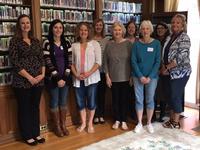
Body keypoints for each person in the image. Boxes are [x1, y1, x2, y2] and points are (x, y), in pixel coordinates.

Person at [9, 14, 45, 146]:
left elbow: (42, 59)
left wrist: (42, 75)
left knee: (35, 108)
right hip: (22, 82)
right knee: (24, 108)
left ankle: (36, 133)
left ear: (31, 25)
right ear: (19, 25)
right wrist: (29, 77)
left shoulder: (36, 40)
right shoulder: (14, 41)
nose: (25, 25)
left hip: (38, 81)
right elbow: (15, 63)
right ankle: (27, 135)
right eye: (23, 23)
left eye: (28, 23)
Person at [162, 14, 191, 129]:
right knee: (169, 96)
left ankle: (176, 122)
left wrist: (167, 67)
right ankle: (171, 119)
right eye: (173, 22)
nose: (175, 24)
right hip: (169, 72)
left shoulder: (185, 37)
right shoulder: (170, 37)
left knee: (175, 95)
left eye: (178, 22)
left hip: (181, 72)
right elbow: (165, 53)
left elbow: (181, 57)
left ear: (183, 25)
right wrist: (164, 67)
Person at [71, 22, 101, 133]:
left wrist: (88, 73)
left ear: (89, 32)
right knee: (80, 102)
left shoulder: (95, 44)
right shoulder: (74, 46)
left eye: (86, 30)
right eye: (81, 30)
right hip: (78, 79)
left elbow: (98, 62)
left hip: (92, 78)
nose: (83, 32)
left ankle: (90, 123)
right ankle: (83, 123)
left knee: (91, 102)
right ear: (78, 31)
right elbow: (72, 63)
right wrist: (76, 74)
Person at [43, 19, 71, 137]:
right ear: (52, 29)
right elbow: (47, 61)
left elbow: (69, 61)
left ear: (62, 29)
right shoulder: (47, 43)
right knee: (54, 102)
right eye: (55, 27)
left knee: (63, 102)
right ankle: (57, 127)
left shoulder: (67, 42)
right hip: (52, 79)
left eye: (60, 27)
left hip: (65, 79)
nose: (58, 30)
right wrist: (57, 78)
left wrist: (64, 78)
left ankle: (64, 125)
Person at [131, 20, 161, 133]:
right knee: (139, 100)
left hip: (152, 78)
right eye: (143, 28)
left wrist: (149, 77)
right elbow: (133, 61)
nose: (145, 31)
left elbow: (157, 62)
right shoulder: (136, 44)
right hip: (137, 76)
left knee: (150, 99)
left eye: (147, 28)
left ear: (151, 30)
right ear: (140, 30)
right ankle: (139, 123)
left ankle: (148, 123)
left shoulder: (156, 44)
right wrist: (140, 76)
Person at [104, 22, 132, 130]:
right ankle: (117, 120)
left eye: (119, 30)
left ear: (123, 31)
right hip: (113, 78)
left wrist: (132, 76)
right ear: (112, 31)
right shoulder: (109, 44)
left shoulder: (128, 44)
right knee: (115, 100)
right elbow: (105, 62)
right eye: (115, 30)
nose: (117, 32)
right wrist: (107, 76)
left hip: (126, 77)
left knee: (124, 100)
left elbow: (132, 61)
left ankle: (124, 120)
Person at [92, 18, 109, 124]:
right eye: (97, 25)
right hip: (92, 72)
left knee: (102, 94)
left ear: (103, 27)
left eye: (100, 25)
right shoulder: (90, 40)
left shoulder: (107, 40)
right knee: (93, 94)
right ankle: (95, 115)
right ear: (94, 26)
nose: (98, 27)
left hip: (103, 71)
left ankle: (101, 114)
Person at [153, 22, 170, 122]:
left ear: (166, 29)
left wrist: (164, 68)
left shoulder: (168, 40)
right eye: (158, 28)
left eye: (162, 28)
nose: (160, 30)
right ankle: (154, 115)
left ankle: (162, 114)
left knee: (163, 94)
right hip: (155, 71)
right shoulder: (154, 40)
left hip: (165, 71)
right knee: (154, 94)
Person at [125, 20, 138, 121]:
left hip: (136, 70)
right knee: (127, 93)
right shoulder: (123, 40)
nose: (131, 29)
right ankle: (127, 113)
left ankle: (134, 113)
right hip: (125, 69)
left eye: (133, 27)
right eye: (129, 27)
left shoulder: (139, 40)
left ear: (135, 29)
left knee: (135, 94)